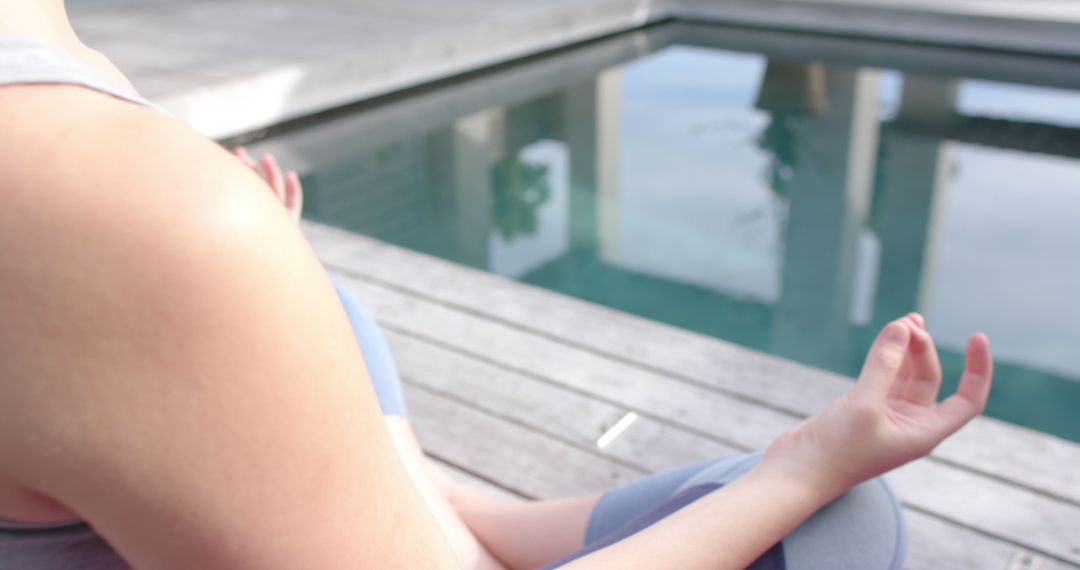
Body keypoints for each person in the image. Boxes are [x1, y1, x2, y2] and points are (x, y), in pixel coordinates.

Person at [0, 1, 994, 568]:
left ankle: (470, 521)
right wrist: (805, 465)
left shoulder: (86, 152)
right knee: (844, 530)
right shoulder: (99, 200)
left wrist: (262, 291)